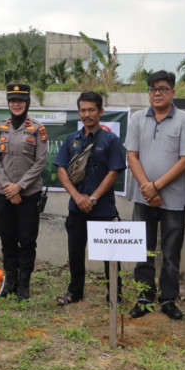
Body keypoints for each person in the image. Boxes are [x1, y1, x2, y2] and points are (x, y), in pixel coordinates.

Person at [126, 70, 185, 320]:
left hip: (173, 199)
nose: (157, 93)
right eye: (153, 89)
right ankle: (144, 297)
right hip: (142, 197)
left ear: (173, 92)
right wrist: (147, 187)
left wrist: (155, 187)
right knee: (142, 249)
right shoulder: (137, 119)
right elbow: (131, 156)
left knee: (171, 252)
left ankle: (168, 299)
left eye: (163, 88)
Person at [53, 91, 126, 306]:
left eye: (91, 110)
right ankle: (75, 292)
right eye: (83, 110)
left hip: (102, 208)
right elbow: (61, 171)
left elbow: (114, 172)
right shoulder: (72, 140)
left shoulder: (110, 139)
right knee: (75, 253)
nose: (87, 114)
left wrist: (92, 199)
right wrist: (77, 197)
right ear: (78, 113)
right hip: (77, 208)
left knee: (110, 256)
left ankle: (115, 295)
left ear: (100, 111)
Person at [0, 82, 48, 300]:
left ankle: (24, 284)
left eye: (21, 100)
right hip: (3, 193)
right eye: (13, 101)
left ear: (28, 102)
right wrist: (8, 188)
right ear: (8, 103)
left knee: (27, 239)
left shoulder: (38, 129)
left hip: (29, 194)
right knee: (7, 238)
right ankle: (9, 281)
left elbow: (41, 162)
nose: (16, 104)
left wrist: (19, 187)